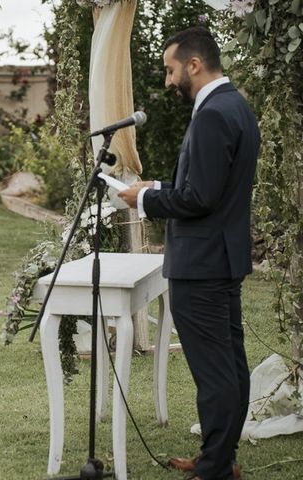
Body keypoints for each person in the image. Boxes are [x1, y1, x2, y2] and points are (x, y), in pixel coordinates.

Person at [118, 27, 259, 480]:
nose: (167, 80)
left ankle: (216, 467)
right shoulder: (232, 105)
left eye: (170, 69)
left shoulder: (214, 114)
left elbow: (199, 199)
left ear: (193, 65)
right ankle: (222, 456)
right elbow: (207, 187)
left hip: (202, 265)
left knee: (215, 372)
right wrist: (156, 187)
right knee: (230, 366)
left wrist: (142, 201)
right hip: (221, 258)